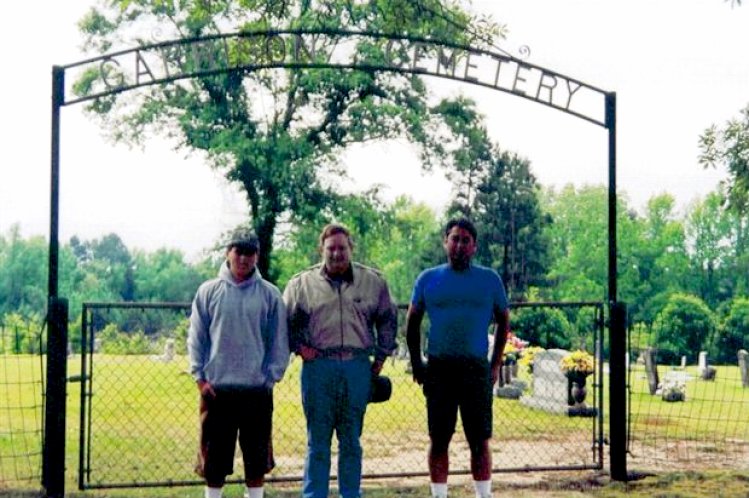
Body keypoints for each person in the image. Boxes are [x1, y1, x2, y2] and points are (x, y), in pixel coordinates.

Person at [283, 223, 398, 498]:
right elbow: (281, 324)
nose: (336, 254)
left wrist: (381, 357)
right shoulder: (301, 284)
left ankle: (351, 493)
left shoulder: (373, 282)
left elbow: (387, 319)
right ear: (321, 249)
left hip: (357, 368)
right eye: (331, 248)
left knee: (351, 441)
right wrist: (299, 347)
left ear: (351, 249)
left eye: (342, 248)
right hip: (318, 369)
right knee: (318, 442)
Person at [406, 217, 510, 498]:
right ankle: (440, 494)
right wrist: (417, 363)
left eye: (466, 240)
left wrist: (495, 363)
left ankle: (483, 494)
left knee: (479, 440)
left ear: (474, 246)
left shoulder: (489, 279)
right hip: (439, 368)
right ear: (445, 242)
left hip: (476, 369)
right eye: (454, 239)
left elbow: (504, 321)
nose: (459, 245)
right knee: (439, 439)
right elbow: (412, 322)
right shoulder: (428, 278)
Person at [188, 230, 290, 498]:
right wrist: (200, 379)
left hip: (256, 391)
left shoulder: (269, 294)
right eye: (238, 251)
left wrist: (271, 377)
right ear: (227, 253)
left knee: (256, 461)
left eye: (250, 252)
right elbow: (196, 337)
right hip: (217, 390)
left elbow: (279, 340)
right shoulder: (208, 292)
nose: (244, 258)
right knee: (214, 462)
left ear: (257, 256)